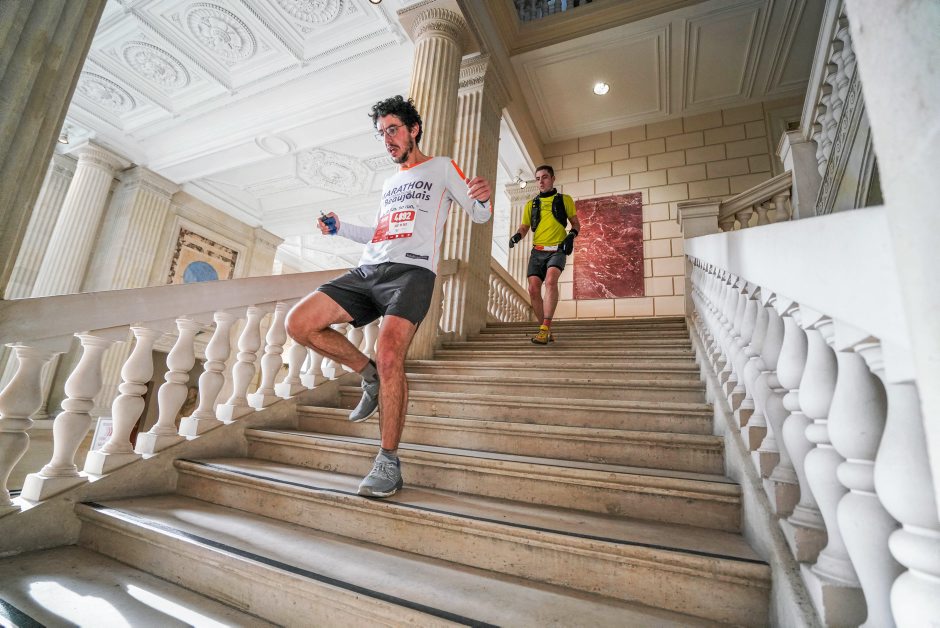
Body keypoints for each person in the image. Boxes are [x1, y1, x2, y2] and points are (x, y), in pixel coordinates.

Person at [285, 95, 492, 498]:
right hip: (370, 270)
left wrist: (482, 197)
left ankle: (388, 461)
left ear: (414, 129)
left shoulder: (442, 167)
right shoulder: (390, 183)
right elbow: (380, 233)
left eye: (393, 130)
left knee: (391, 353)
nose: (387, 140)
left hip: (412, 273)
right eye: (381, 133)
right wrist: (341, 228)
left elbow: (479, 214)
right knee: (298, 323)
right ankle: (369, 375)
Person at [508, 165, 580, 344]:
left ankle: (544, 328)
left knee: (550, 281)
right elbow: (524, 227)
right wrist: (517, 236)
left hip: (557, 250)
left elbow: (576, 223)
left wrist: (571, 235)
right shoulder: (530, 204)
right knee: (533, 290)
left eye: (545, 177)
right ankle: (545, 330)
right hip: (537, 251)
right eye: (538, 178)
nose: (541, 181)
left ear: (553, 179)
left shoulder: (565, 200)